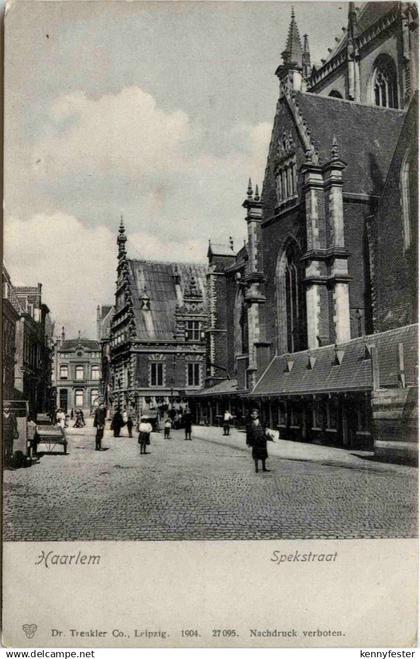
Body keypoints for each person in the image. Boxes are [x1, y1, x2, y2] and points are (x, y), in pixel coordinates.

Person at [246, 408, 270, 473]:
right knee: (256, 455)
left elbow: (266, 429)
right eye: (253, 414)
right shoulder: (249, 423)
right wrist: (248, 442)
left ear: (258, 415)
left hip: (262, 440)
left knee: (263, 454)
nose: (254, 415)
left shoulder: (262, 422)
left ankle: (264, 468)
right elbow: (248, 434)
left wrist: (266, 435)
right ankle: (256, 468)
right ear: (251, 415)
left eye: (256, 414)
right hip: (255, 440)